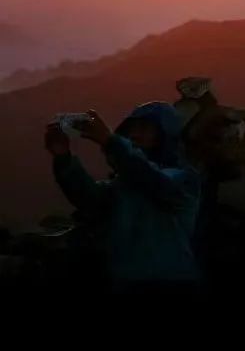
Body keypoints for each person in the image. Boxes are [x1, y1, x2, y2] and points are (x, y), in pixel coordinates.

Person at [44, 102, 202, 288]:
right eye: (132, 129)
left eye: (144, 128)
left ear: (165, 133)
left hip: (171, 281)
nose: (134, 135)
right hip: (124, 280)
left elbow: (152, 179)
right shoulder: (126, 182)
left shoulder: (184, 179)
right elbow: (91, 201)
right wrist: (63, 158)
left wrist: (110, 142)